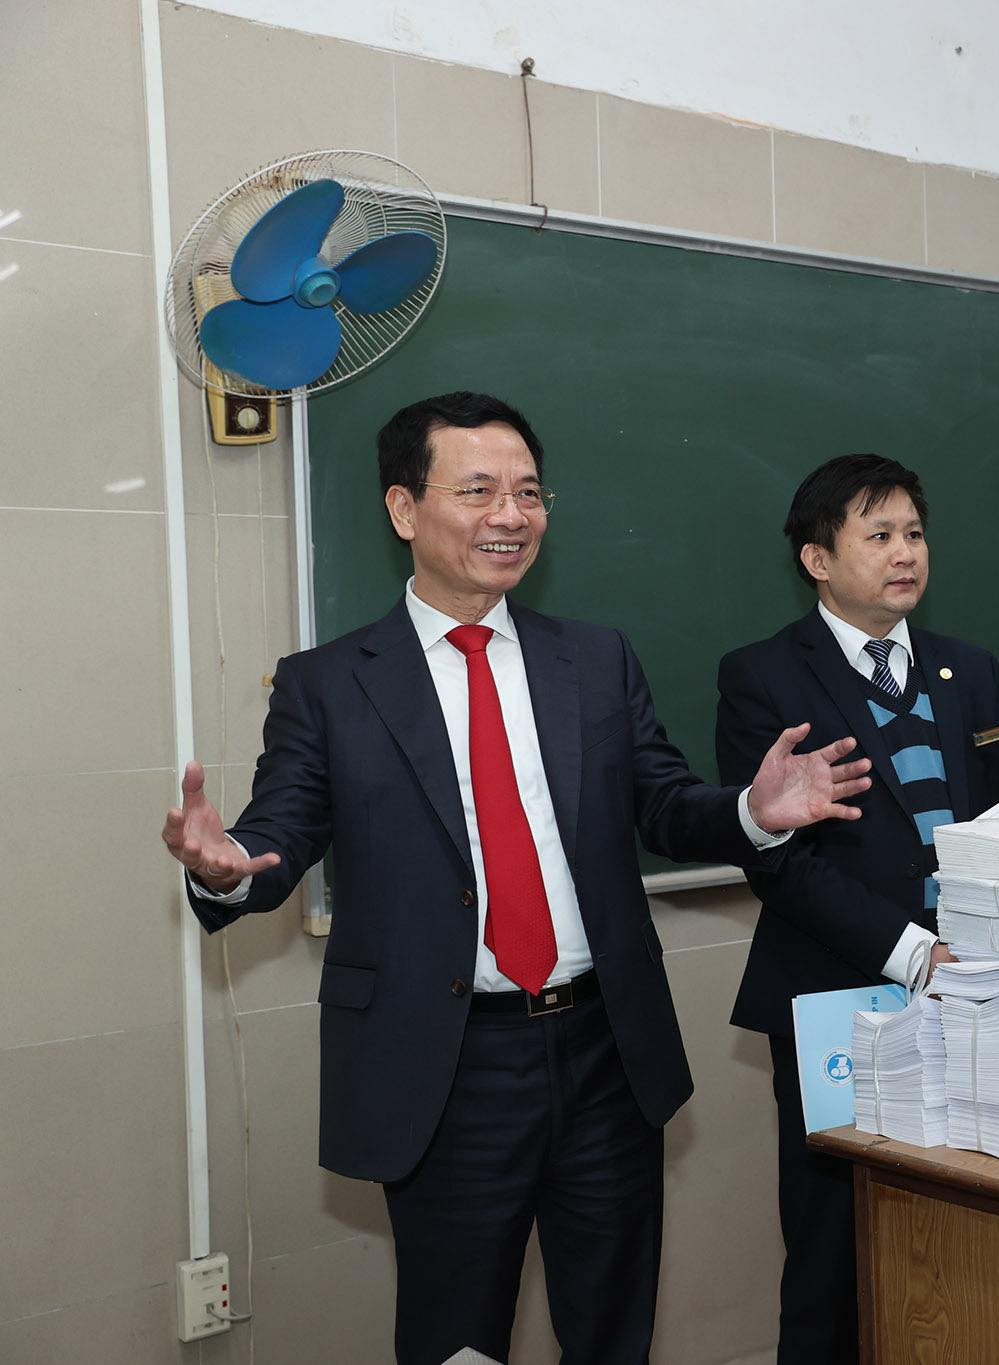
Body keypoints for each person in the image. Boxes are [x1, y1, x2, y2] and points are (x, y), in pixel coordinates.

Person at [160, 392, 872, 1365]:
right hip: (446, 1063)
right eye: (479, 490)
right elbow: (278, 834)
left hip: (604, 1049)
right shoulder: (328, 683)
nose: (511, 514)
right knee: (457, 1341)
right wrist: (229, 870)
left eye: (529, 492)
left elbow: (665, 805)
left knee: (614, 1332)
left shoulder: (595, 658)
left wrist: (751, 811)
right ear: (404, 508)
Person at [715, 453, 999, 1363]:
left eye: (915, 533)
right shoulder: (762, 675)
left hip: (980, 991)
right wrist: (912, 952)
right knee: (833, 1252)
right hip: (841, 995)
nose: (906, 553)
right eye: (880, 536)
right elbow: (778, 859)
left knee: (972, 1242)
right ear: (818, 559)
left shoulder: (967, 668)